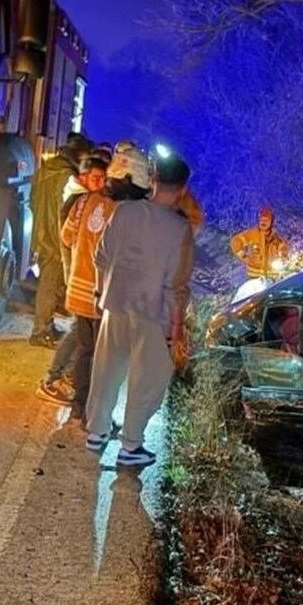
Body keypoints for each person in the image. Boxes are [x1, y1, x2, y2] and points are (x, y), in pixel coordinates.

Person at [84, 154, 194, 466]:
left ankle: (96, 432)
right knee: (148, 380)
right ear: (183, 188)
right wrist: (176, 330)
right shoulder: (179, 229)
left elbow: (100, 258)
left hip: (114, 305)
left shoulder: (124, 211)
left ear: (154, 179)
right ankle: (131, 446)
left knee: (106, 371)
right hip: (152, 314)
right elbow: (177, 286)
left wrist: (98, 293)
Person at [35, 155, 110, 405]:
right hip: (81, 284)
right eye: (96, 178)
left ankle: (65, 377)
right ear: (83, 177)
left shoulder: (85, 200)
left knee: (81, 334)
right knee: (79, 333)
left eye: (104, 178)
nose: (101, 183)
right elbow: (67, 240)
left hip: (82, 284)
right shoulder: (80, 202)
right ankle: (53, 378)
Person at [29, 132, 92, 347]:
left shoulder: (46, 168)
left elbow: (32, 199)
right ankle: (40, 331)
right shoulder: (66, 176)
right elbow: (64, 209)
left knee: (48, 282)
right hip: (56, 237)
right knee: (50, 283)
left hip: (42, 232)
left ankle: (44, 326)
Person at [229, 207, 288, 280]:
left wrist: (282, 258)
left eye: (266, 220)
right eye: (261, 220)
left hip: (273, 276)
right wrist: (243, 256)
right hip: (254, 276)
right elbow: (235, 241)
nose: (263, 222)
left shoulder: (277, 238)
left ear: (271, 222)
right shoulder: (253, 234)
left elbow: (284, 250)